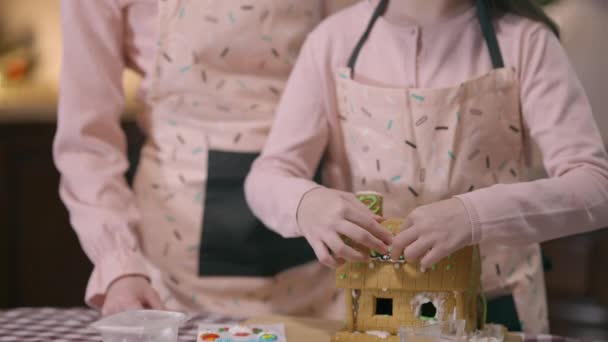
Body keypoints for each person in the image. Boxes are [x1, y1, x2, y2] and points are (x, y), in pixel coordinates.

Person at [245, 0, 608, 334]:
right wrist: (306, 204)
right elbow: (267, 175)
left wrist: (473, 214)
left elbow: (595, 185)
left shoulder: (527, 42)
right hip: (375, 308)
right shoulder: (333, 40)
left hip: (496, 306)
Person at [54, 0, 362, 318]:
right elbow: (88, 142)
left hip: (316, 242)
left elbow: (350, 61)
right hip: (174, 270)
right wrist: (119, 265)